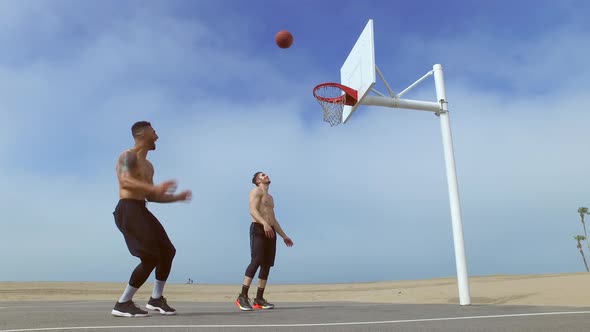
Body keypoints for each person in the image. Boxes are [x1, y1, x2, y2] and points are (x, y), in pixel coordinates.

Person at [111, 121, 192, 317]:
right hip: (128, 209)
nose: (157, 136)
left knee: (167, 251)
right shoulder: (127, 156)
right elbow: (125, 181)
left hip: (141, 208)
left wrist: (176, 198)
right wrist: (153, 188)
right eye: (154, 132)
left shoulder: (149, 166)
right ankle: (123, 303)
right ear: (143, 133)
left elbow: (152, 197)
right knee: (150, 256)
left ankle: (156, 299)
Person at [235, 171, 294, 311]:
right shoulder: (256, 191)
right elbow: (252, 210)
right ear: (257, 181)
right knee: (257, 260)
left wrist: (284, 236)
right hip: (258, 229)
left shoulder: (271, 198)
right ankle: (242, 296)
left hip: (270, 230)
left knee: (267, 264)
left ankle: (259, 299)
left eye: (266, 174)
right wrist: (264, 223)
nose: (266, 176)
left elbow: (273, 219)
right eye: (262, 175)